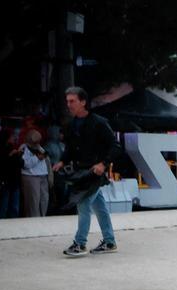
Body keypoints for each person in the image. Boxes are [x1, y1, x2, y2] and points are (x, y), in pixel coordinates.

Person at [55, 87, 119, 257]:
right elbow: (70, 148)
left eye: (72, 101)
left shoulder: (99, 122)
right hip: (81, 173)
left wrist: (103, 164)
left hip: (94, 173)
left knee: (83, 204)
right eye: (67, 101)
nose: (68, 104)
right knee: (100, 207)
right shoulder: (71, 124)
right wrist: (62, 161)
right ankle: (109, 241)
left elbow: (115, 146)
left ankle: (80, 243)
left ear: (83, 102)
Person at [0, 128, 21, 219]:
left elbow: (20, 163)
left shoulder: (11, 148)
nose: (13, 138)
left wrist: (18, 156)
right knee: (3, 206)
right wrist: (10, 155)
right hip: (4, 181)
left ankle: (13, 224)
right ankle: (0, 225)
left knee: (14, 207)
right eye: (11, 137)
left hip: (14, 181)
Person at [19, 130, 50, 217]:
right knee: (33, 200)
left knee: (44, 199)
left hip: (43, 176)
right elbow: (25, 164)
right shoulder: (23, 148)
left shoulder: (39, 147)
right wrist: (37, 158)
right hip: (31, 177)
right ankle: (33, 219)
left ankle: (42, 216)